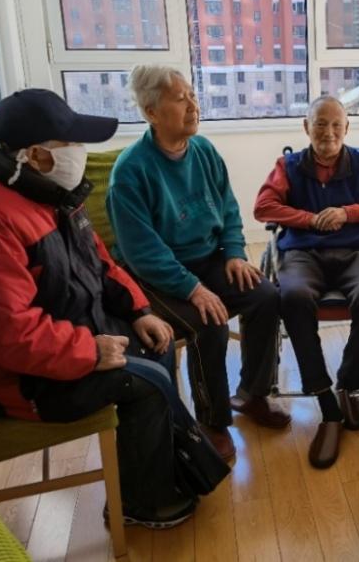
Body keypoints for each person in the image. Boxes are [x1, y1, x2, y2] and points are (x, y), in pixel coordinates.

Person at [0, 89, 201, 528]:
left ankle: (155, 469)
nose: (80, 151)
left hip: (72, 333)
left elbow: (100, 263)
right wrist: (90, 352)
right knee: (145, 382)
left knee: (159, 343)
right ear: (36, 155)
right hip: (21, 378)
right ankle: (141, 502)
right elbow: (7, 336)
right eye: (71, 142)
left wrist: (139, 311)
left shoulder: (48, 194)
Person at [107, 66, 289, 461]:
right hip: (154, 277)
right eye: (180, 99)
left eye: (192, 95)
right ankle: (213, 421)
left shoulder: (204, 151)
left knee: (265, 296)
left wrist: (235, 252)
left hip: (208, 259)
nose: (193, 105)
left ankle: (252, 393)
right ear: (152, 112)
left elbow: (228, 209)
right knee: (209, 320)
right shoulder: (131, 172)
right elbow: (142, 252)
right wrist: (193, 289)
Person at [254, 96, 359, 468]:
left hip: (356, 252)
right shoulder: (288, 166)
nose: (329, 132)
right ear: (307, 127)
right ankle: (327, 403)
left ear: (347, 128)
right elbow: (263, 208)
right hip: (303, 254)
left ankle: (347, 384)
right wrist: (308, 219)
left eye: (337, 125)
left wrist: (347, 213)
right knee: (292, 295)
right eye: (320, 124)